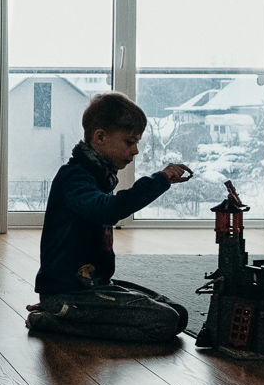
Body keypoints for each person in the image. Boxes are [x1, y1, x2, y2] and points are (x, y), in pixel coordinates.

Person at [25, 91, 194, 343]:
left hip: (94, 286)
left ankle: (69, 314)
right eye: (129, 142)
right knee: (164, 321)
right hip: (68, 291)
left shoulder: (98, 176)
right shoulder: (74, 177)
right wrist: (159, 180)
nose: (135, 150)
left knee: (178, 314)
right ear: (100, 137)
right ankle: (55, 318)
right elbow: (109, 210)